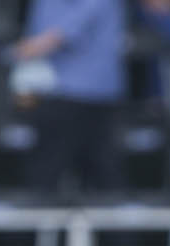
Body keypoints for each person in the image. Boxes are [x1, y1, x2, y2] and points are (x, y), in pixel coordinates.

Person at [9, 0, 125, 201]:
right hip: (51, 94)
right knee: (44, 177)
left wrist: (16, 52)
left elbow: (47, 42)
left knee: (103, 181)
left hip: (88, 98)